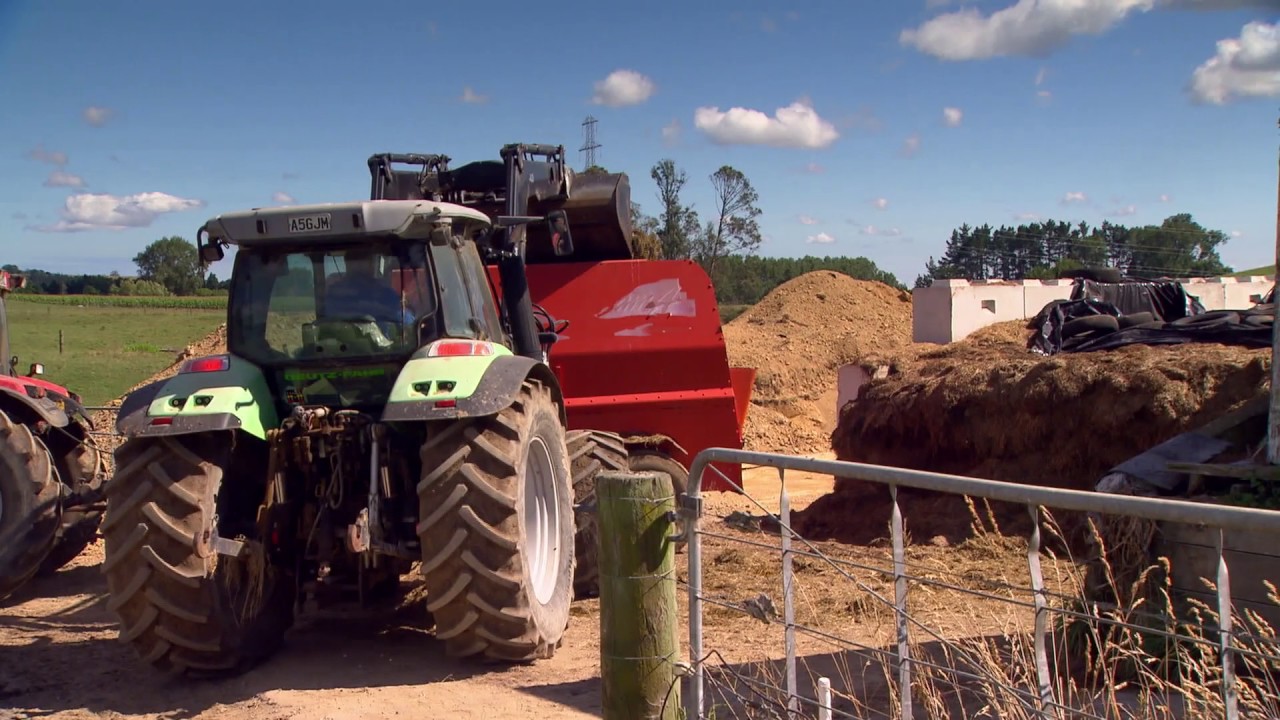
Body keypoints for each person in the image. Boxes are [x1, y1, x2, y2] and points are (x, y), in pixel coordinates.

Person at [323, 250, 413, 327]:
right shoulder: (384, 293)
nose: (359, 266)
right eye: (355, 262)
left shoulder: (334, 293)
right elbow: (404, 321)